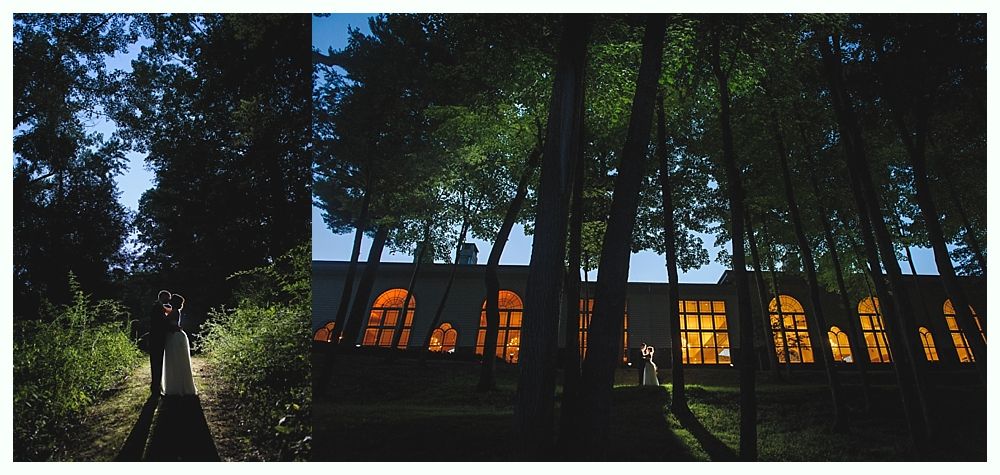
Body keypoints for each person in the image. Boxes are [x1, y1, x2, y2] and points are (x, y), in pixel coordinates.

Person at [161, 294, 197, 396]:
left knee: (174, 359)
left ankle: (175, 386)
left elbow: (169, 324)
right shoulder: (175, 311)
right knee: (177, 360)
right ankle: (179, 384)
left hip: (174, 337)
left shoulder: (173, 312)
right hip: (177, 335)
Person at [149, 290, 172, 397]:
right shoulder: (157, 307)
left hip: (156, 338)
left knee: (157, 362)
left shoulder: (158, 306)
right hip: (156, 339)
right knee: (156, 362)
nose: (169, 301)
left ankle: (156, 385)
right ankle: (155, 387)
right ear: (163, 297)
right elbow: (162, 322)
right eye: (167, 298)